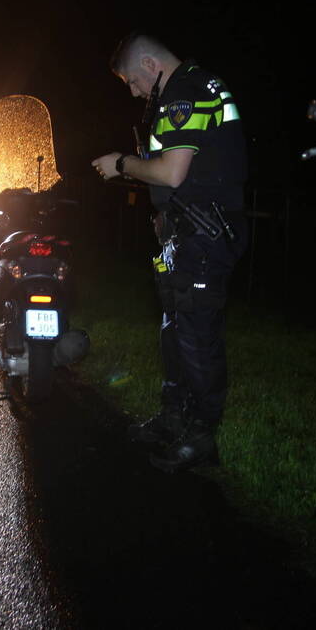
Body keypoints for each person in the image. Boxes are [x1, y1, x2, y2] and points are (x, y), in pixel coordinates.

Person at [92, 32, 249, 471]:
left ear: (147, 64)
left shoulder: (185, 91)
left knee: (197, 337)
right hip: (185, 236)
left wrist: (122, 164)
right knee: (175, 331)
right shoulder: (191, 87)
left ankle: (201, 438)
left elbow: (173, 173)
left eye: (130, 80)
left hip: (204, 236)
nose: (133, 90)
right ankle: (172, 417)